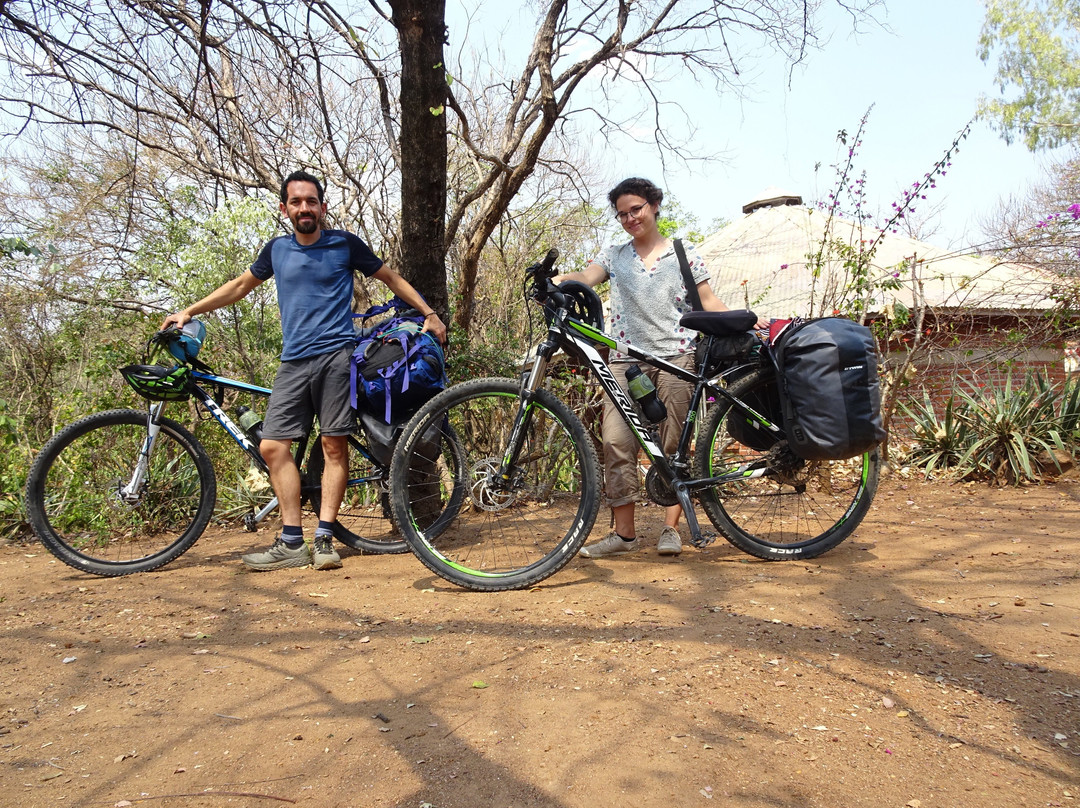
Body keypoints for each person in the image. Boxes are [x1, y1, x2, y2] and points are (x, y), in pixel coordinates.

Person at [162, 170, 447, 572]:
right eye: (296, 202)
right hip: (293, 362)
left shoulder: (343, 244)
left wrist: (429, 314)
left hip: (336, 358)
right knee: (273, 447)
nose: (304, 208)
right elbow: (239, 286)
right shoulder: (276, 250)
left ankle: (325, 537)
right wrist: (190, 311)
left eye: (311, 201)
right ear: (285, 209)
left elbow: (391, 278)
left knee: (333, 446)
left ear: (322, 207)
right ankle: (291, 541)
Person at [559, 177, 762, 559]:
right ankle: (624, 534)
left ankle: (671, 529)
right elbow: (586, 278)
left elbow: (706, 300)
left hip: (676, 359)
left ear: (653, 205)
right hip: (624, 361)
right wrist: (558, 280)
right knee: (616, 443)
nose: (629, 218)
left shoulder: (684, 254)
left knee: (673, 447)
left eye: (635, 209)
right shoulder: (614, 255)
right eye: (621, 214)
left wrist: (747, 319)